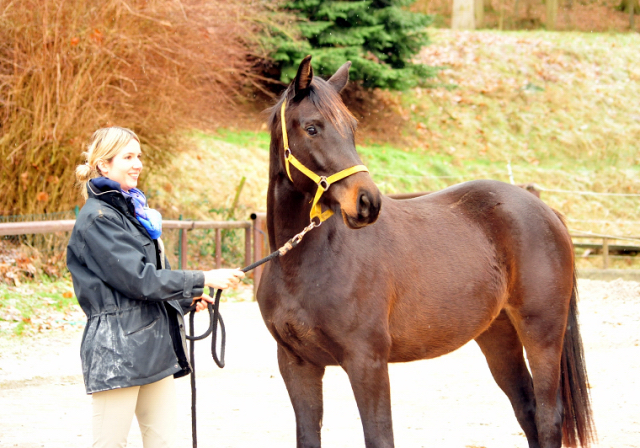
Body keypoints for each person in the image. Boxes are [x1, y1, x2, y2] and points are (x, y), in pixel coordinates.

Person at [66, 126, 244, 448]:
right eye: (128, 157)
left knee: (164, 443)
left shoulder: (130, 213)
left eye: (139, 157)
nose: (137, 164)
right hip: (116, 350)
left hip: (154, 346)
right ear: (103, 165)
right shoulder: (98, 218)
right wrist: (202, 277)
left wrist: (187, 298)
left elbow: (145, 282)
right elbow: (138, 280)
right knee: (110, 444)